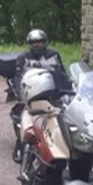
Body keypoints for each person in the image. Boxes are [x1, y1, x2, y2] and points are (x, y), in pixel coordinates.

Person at [12, 28, 69, 163]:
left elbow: (62, 74)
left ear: (45, 42)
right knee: (24, 119)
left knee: (64, 118)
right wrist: (20, 92)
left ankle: (61, 147)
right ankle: (21, 145)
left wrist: (68, 87)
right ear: (30, 43)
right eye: (34, 42)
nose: (37, 44)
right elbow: (18, 77)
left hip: (54, 95)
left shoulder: (54, 55)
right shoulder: (23, 58)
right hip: (31, 96)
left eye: (40, 42)